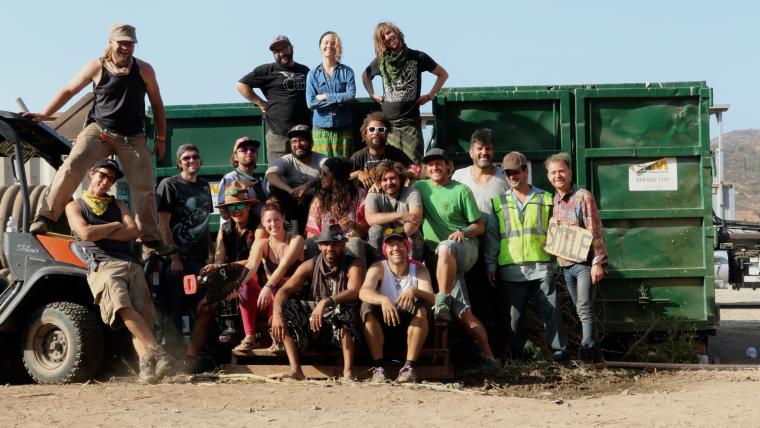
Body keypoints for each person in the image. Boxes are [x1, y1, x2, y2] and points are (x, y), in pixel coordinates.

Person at [25, 24, 174, 257]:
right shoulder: (97, 66)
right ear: (110, 42)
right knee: (72, 164)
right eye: (122, 43)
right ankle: (46, 216)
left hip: (131, 136)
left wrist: (161, 138)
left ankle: (151, 240)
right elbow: (69, 90)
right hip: (101, 131)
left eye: (130, 44)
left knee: (144, 185)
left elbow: (157, 103)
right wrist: (45, 114)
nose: (126, 48)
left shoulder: (144, 69)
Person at [66, 159, 173, 384]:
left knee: (141, 318)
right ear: (90, 174)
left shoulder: (119, 205)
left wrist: (102, 231)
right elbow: (84, 233)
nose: (105, 182)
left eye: (110, 180)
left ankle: (147, 369)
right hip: (103, 265)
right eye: (102, 176)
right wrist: (115, 226)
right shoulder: (75, 206)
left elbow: (133, 231)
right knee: (123, 308)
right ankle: (158, 353)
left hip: (131, 263)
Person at [412, 148, 498, 367]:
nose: (435, 168)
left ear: (448, 166)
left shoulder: (461, 190)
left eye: (439, 163)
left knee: (446, 246)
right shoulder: (419, 188)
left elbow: (479, 226)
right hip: (441, 263)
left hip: (464, 248)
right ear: (425, 168)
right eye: (430, 164)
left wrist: (464, 231)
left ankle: (441, 297)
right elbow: (394, 179)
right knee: (464, 313)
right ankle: (490, 358)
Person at [484, 151, 568, 362]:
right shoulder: (498, 202)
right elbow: (493, 237)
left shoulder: (546, 199)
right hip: (511, 268)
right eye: (508, 173)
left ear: (525, 171)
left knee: (552, 313)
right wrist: (490, 265)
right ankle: (519, 357)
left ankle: (560, 354)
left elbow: (558, 232)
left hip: (541, 265)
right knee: (514, 319)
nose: (512, 176)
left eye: (516, 172)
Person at [270, 224, 364, 380]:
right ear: (319, 246)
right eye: (326, 243)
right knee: (284, 308)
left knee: (345, 308)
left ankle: (348, 372)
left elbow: (354, 291)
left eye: (335, 243)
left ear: (342, 245)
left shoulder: (353, 263)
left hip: (342, 328)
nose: (330, 248)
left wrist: (325, 302)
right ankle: (296, 370)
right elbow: (283, 291)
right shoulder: (310, 264)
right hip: (315, 325)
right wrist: (277, 313)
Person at [451, 128, 510, 357]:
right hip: (468, 246)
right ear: (471, 151)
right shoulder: (459, 176)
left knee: (498, 302)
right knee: (472, 299)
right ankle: (473, 352)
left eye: (488, 148)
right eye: (479, 148)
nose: (484, 152)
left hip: (498, 248)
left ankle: (501, 352)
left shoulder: (504, 177)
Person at [545, 153, 607, 365]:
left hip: (584, 264)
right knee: (582, 309)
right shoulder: (555, 200)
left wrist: (598, 263)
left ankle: (587, 355)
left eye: (561, 171)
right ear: (548, 176)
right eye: (553, 172)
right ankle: (597, 358)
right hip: (566, 266)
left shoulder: (583, 196)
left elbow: (595, 230)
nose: (557, 175)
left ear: (570, 172)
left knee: (583, 307)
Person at [156, 144, 213, 360]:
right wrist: (174, 258)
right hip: (176, 261)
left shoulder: (205, 186)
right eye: (186, 157)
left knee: (204, 306)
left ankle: (194, 357)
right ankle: (171, 360)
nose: (191, 160)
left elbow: (204, 223)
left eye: (195, 156)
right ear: (180, 162)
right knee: (174, 311)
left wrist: (210, 254)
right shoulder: (168, 185)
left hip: (198, 261)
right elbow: (163, 224)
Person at [362, 22, 449, 164]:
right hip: (389, 125)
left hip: (411, 122)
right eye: (383, 37)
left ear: (397, 32)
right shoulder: (381, 61)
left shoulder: (417, 56)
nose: (388, 37)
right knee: (391, 167)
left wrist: (429, 95)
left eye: (389, 32)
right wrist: (372, 94)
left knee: (414, 165)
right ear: (382, 42)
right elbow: (365, 76)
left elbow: (443, 74)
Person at [359, 229, 435, 383]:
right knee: (367, 307)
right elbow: (363, 292)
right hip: (385, 325)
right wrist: (383, 300)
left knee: (422, 308)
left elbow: (432, 298)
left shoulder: (419, 269)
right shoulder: (378, 267)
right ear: (385, 250)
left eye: (400, 244)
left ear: (407, 248)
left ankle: (409, 367)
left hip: (412, 325)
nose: (396, 249)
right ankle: (378, 368)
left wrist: (414, 290)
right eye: (391, 245)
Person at [237, 35, 310, 167]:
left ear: (291, 48)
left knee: (304, 176)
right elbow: (241, 85)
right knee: (278, 176)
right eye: (277, 51)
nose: (282, 53)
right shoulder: (267, 70)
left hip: (302, 136)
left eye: (284, 49)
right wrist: (260, 102)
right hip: (278, 134)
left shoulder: (304, 70)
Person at [205, 181, 261, 352]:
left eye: (240, 205)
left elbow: (254, 260)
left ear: (249, 206)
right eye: (231, 207)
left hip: (256, 274)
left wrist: (226, 267)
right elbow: (219, 257)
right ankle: (222, 333)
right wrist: (216, 267)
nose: (236, 210)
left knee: (241, 281)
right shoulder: (225, 228)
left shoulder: (259, 227)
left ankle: (236, 330)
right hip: (231, 273)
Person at [242, 199, 305, 350]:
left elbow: (284, 267)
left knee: (280, 286)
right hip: (270, 295)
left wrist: (268, 286)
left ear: (283, 218)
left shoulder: (296, 239)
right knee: (246, 285)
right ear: (263, 222)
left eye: (276, 219)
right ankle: (249, 336)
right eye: (268, 221)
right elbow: (251, 266)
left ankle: (277, 338)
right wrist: (236, 285)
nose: (273, 224)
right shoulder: (261, 244)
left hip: (292, 295)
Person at [305, 157, 369, 263]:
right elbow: (311, 234)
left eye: (325, 174)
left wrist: (353, 225)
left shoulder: (359, 195)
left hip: (349, 242)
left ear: (337, 176)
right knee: (309, 243)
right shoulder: (319, 199)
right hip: (326, 245)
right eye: (321, 173)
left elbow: (366, 231)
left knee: (355, 243)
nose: (321, 177)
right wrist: (328, 240)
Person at [265, 124, 327, 234]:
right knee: (274, 189)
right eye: (294, 141)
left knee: (326, 189)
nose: (298, 145)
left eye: (302, 140)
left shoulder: (320, 158)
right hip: (291, 206)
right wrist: (291, 191)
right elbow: (271, 175)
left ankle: (317, 233)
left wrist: (307, 186)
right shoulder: (287, 159)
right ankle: (290, 231)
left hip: (315, 204)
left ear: (311, 143)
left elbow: (331, 172)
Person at [306, 31, 356, 158]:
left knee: (344, 169)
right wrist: (339, 99)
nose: (329, 46)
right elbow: (311, 103)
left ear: (337, 47)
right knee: (322, 169)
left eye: (333, 43)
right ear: (320, 47)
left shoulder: (347, 72)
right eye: (325, 42)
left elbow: (350, 96)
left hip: (343, 129)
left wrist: (326, 96)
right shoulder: (312, 74)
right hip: (321, 130)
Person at [364, 161, 424, 261]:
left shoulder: (411, 192)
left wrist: (398, 240)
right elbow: (370, 219)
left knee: (415, 234)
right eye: (384, 180)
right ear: (379, 182)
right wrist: (401, 215)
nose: (389, 183)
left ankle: (414, 268)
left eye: (392, 178)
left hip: (405, 238)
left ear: (400, 179)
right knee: (374, 230)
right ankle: (379, 265)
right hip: (383, 240)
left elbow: (415, 220)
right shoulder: (373, 194)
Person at [349, 111, 416, 190]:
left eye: (381, 129)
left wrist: (406, 176)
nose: (376, 132)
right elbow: (343, 176)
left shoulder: (396, 154)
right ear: (365, 133)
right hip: (366, 200)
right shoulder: (358, 156)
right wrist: (358, 173)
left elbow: (415, 169)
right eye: (371, 129)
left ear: (387, 133)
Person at [217, 136, 268, 224]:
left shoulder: (260, 181)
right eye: (244, 149)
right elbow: (223, 212)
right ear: (235, 157)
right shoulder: (230, 178)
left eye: (253, 150)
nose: (249, 152)